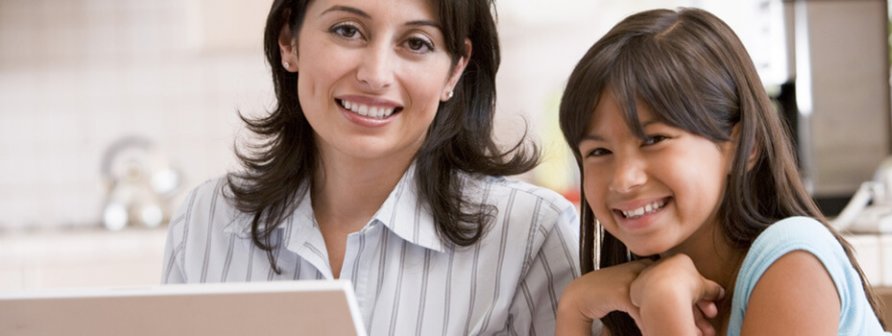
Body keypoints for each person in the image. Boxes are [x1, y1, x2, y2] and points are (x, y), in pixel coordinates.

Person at [161, 0, 579, 334]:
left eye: (416, 43)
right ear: (289, 40)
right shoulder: (205, 219)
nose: (376, 75)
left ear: (456, 68)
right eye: (347, 31)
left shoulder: (532, 234)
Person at [555, 8, 890, 335]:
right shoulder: (634, 290)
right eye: (599, 151)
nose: (624, 178)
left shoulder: (794, 258)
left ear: (745, 145)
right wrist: (575, 309)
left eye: (654, 139)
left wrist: (664, 306)